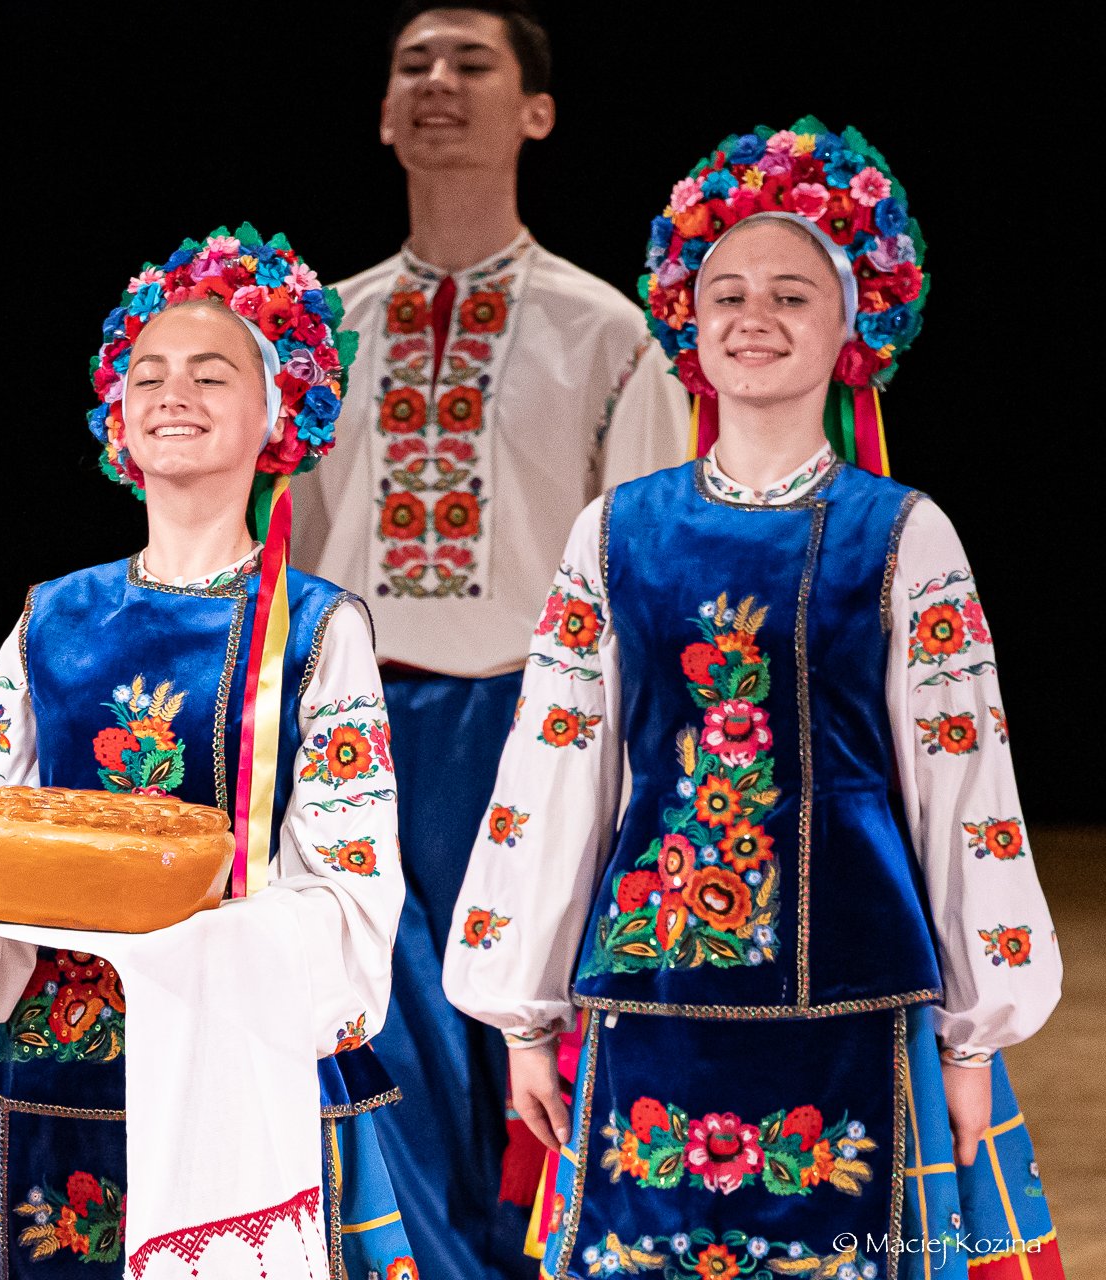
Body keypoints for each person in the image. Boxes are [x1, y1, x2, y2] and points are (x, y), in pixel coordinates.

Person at [444, 117, 1064, 1279]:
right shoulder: (616, 532)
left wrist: (976, 1033)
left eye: (791, 294)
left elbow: (965, 786)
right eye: (726, 293)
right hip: (653, 998)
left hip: (858, 1000)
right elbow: (556, 772)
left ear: (852, 326)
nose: (753, 316)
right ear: (689, 321)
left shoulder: (904, 535)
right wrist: (527, 1013)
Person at [0, 226, 413, 1280]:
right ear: (117, 414)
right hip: (55, 1067)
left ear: (280, 412)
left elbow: (350, 869)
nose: (174, 393)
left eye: (212, 373)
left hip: (235, 1064)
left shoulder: (317, 627)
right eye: (149, 373)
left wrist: (214, 950)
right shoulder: (53, 617)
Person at [288, 5, 689, 1275]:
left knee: (530, 1032)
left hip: (532, 722)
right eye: (413, 64)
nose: (439, 82)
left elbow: (648, 566)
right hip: (356, 722)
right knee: (375, 1029)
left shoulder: (608, 332)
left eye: (473, 63)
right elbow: (284, 556)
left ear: (537, 111)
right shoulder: (320, 331)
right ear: (383, 114)